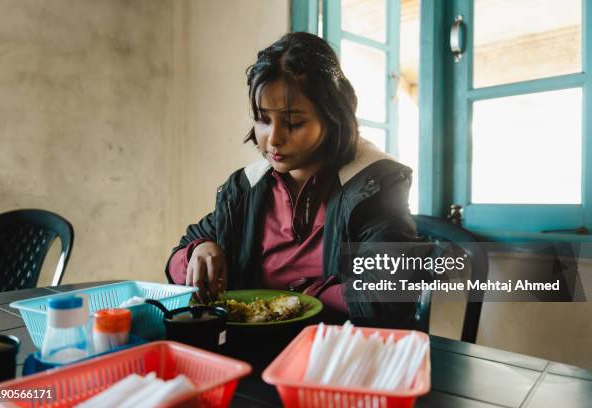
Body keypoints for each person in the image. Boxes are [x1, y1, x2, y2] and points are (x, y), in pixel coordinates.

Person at [166, 32, 420, 329]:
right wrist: (199, 251)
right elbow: (174, 265)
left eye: (293, 122)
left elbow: (388, 295)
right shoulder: (247, 189)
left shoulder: (373, 188)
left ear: (332, 117)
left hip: (341, 353)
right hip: (256, 351)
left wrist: (303, 296)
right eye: (263, 119)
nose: (273, 139)